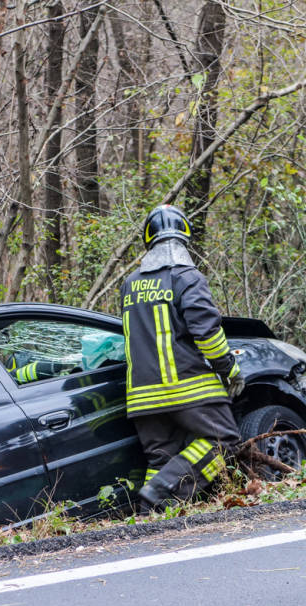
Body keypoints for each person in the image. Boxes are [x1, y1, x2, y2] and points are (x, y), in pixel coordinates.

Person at [121, 203, 244, 510]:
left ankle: (154, 517)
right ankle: (160, 492)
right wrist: (229, 368)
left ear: (148, 240)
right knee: (223, 440)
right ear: (185, 236)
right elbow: (207, 332)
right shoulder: (187, 277)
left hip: (141, 398)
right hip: (186, 388)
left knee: (161, 457)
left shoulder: (130, 284)